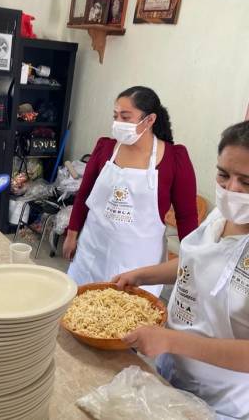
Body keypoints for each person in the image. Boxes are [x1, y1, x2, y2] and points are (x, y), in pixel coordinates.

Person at [113, 117, 249, 420]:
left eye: (248, 182)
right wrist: (142, 275)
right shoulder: (224, 214)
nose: (231, 189)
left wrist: (170, 339)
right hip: (179, 376)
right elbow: (200, 263)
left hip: (233, 404)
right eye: (223, 175)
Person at [63, 86, 198, 295]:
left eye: (126, 117)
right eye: (115, 116)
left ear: (150, 120)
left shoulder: (174, 158)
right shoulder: (105, 148)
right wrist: (72, 234)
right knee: (81, 311)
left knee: (127, 318)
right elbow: (83, 196)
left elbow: (187, 216)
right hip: (93, 249)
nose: (118, 123)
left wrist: (191, 262)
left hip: (139, 262)